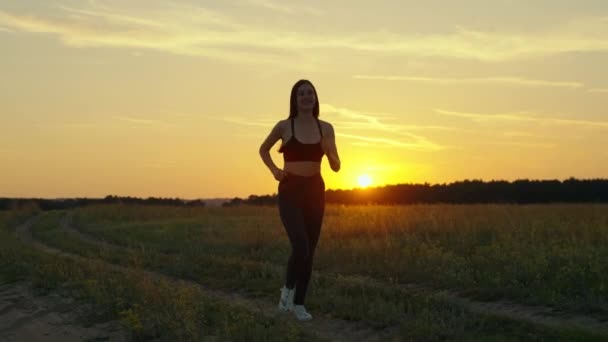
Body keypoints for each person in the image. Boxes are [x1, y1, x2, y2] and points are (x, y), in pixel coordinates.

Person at [259, 79, 341, 321]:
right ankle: (287, 291)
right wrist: (275, 170)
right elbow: (263, 149)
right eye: (302, 93)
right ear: (295, 99)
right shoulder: (285, 126)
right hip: (290, 189)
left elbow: (336, 166)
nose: (307, 96)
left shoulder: (325, 128)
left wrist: (329, 151)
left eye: (310, 93)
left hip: (315, 190)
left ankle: (298, 304)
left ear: (316, 98)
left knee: (310, 251)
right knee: (301, 245)